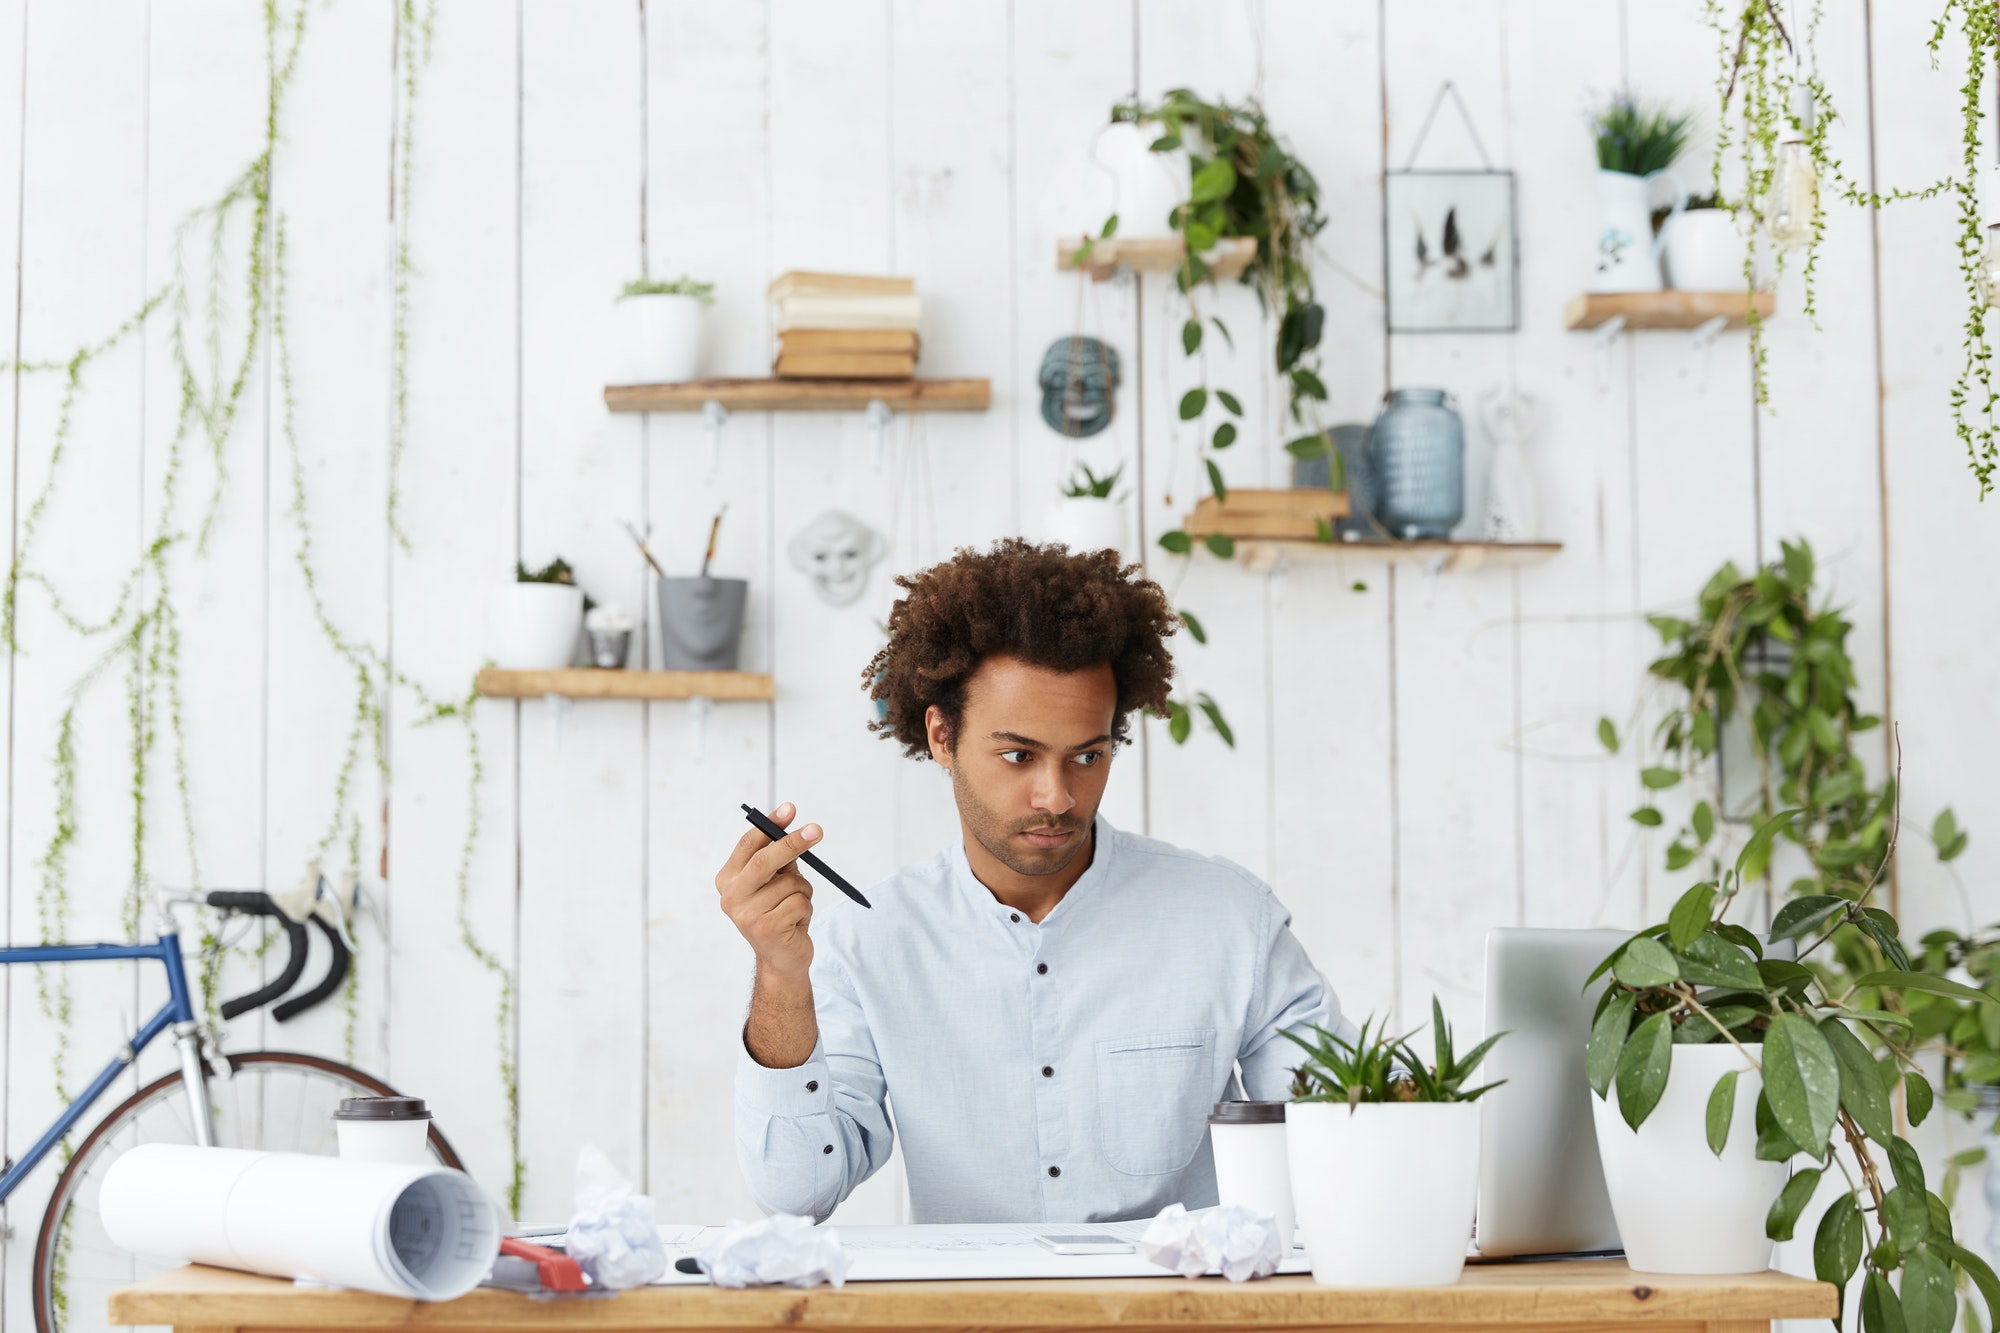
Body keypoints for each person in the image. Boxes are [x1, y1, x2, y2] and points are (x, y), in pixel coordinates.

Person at [715, 539, 1350, 1224]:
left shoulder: (1230, 922)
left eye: (1087, 755)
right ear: (941, 736)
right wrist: (780, 975)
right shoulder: (871, 937)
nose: (1056, 795)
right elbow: (797, 1188)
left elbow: (1342, 1142)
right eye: (1019, 754)